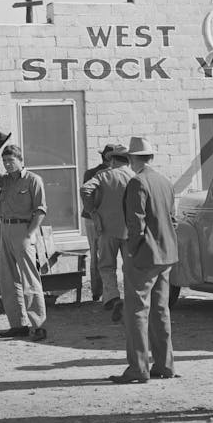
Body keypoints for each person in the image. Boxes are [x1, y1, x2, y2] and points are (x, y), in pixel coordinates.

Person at [108, 136, 178, 384]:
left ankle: (138, 368)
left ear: (131, 158)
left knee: (136, 311)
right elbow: (172, 217)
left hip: (145, 254)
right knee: (160, 310)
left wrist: (132, 250)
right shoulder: (164, 181)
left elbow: (135, 223)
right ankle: (164, 364)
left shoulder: (138, 182)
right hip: (166, 253)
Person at [0, 139, 49, 341]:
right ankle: (18, 324)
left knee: (30, 279)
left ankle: (39, 325)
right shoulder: (5, 180)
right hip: (4, 229)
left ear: (20, 160)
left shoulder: (33, 180)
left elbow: (41, 209)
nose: (7, 164)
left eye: (11, 160)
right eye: (5, 160)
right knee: (8, 280)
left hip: (23, 230)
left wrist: (30, 234)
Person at [80, 144, 133, 321]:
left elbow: (85, 189)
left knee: (107, 265)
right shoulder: (134, 177)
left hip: (107, 228)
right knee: (130, 266)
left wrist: (93, 212)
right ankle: (132, 299)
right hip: (129, 229)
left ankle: (112, 297)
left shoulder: (103, 175)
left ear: (112, 159)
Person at [81, 144, 116, 303]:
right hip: (101, 217)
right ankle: (105, 292)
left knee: (96, 254)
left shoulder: (91, 173)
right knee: (104, 254)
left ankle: (98, 292)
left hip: (92, 217)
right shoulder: (110, 174)